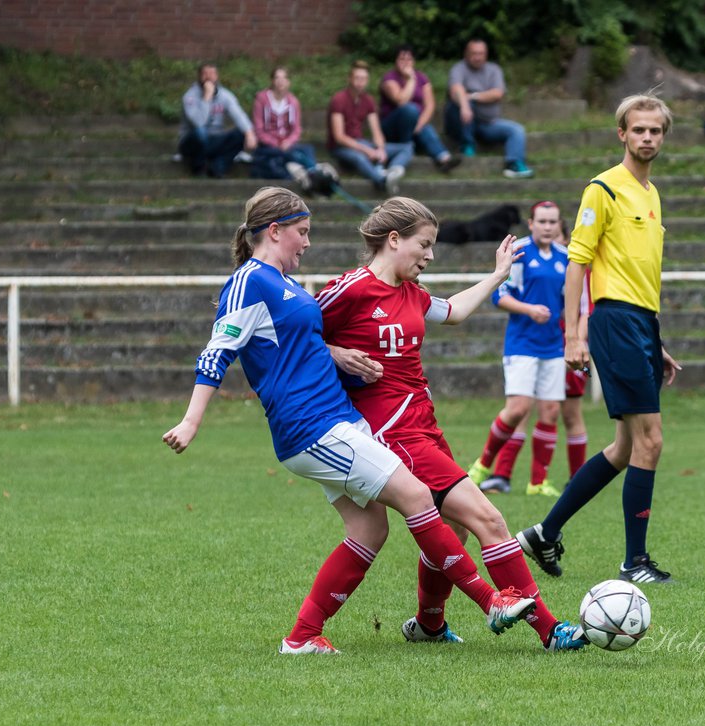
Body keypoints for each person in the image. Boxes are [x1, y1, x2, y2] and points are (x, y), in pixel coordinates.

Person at [162, 187, 536, 654]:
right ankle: (490, 601)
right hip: (312, 425)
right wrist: (192, 420)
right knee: (418, 496)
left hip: (336, 420)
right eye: (302, 233)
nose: (307, 242)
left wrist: (336, 352)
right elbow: (219, 349)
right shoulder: (250, 280)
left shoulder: (285, 284)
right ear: (274, 231)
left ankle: (302, 637)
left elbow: (301, 343)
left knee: (369, 530)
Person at [316, 197, 587, 651]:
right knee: (489, 520)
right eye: (424, 245)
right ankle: (550, 630)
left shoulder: (412, 293)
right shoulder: (351, 288)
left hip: (425, 424)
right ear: (394, 239)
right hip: (391, 431)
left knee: (457, 528)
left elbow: (455, 311)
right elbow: (294, 333)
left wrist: (498, 275)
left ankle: (428, 625)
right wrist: (335, 353)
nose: (430, 255)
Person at [515, 93, 681, 585]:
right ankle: (635, 562)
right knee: (651, 440)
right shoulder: (603, 189)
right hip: (615, 322)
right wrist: (573, 335)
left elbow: (638, 272)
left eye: (656, 130)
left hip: (641, 323)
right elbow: (577, 264)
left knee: (626, 447)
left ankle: (545, 532)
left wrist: (657, 339)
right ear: (622, 134)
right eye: (639, 129)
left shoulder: (651, 194)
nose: (647, 137)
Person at [466, 201, 569, 498]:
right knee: (518, 409)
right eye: (542, 222)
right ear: (530, 223)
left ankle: (538, 482)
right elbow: (499, 295)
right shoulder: (520, 253)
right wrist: (528, 309)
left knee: (549, 412)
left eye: (553, 222)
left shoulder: (566, 257)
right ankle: (483, 465)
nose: (548, 227)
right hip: (522, 344)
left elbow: (571, 300)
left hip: (553, 346)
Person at [444, 39, 535, 179]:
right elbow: (455, 90)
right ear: (466, 54)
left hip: (488, 123)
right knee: (460, 103)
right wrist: (465, 104)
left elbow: (497, 93)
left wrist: (472, 96)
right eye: (474, 53)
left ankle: (514, 164)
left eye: (481, 53)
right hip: (462, 123)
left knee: (517, 130)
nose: (478, 57)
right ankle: (467, 144)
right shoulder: (458, 68)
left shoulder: (494, 69)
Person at [328, 60, 413, 195]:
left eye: (364, 79)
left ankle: (392, 171)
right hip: (341, 147)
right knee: (359, 157)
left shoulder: (368, 100)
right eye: (357, 78)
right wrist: (367, 150)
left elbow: (376, 131)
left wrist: (380, 148)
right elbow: (339, 137)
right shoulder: (338, 99)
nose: (360, 82)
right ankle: (382, 180)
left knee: (407, 147)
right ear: (350, 78)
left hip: (362, 143)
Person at [250, 66, 337, 191]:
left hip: (287, 144)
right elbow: (259, 129)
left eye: (284, 78)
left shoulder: (293, 101)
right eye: (277, 77)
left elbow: (296, 130)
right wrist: (276, 143)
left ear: (288, 82)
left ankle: (312, 172)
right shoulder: (261, 99)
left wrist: (288, 141)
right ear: (272, 80)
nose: (280, 81)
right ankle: (310, 172)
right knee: (280, 156)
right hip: (268, 145)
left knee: (308, 149)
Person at [379, 46, 461, 174]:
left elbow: (429, 105)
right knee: (410, 109)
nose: (405, 62)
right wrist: (411, 79)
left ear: (414, 61)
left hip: (415, 126)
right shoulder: (389, 79)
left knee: (424, 126)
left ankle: (444, 158)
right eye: (402, 59)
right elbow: (401, 101)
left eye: (409, 59)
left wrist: (419, 124)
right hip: (392, 127)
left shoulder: (422, 78)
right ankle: (405, 148)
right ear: (395, 61)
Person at [177, 63, 256, 178]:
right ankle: (198, 168)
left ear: (217, 76)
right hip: (191, 142)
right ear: (199, 76)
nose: (208, 77)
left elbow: (238, 115)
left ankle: (218, 167)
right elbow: (199, 122)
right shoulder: (190, 96)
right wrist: (207, 97)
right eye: (205, 74)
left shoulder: (225, 95)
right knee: (201, 133)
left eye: (212, 73)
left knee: (241, 134)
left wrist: (249, 133)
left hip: (215, 139)